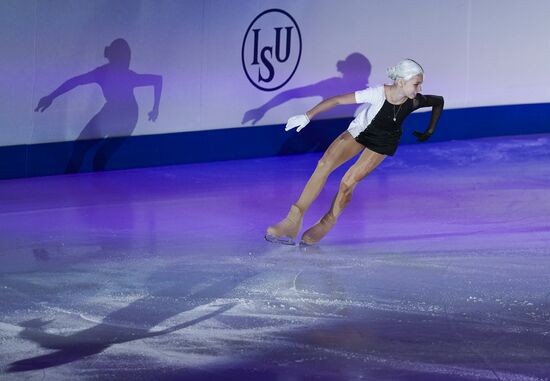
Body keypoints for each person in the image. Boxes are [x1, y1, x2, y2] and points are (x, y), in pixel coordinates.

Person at [265, 59, 444, 245]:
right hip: (360, 132)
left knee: (347, 183)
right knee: (324, 165)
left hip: (382, 143)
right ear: (401, 82)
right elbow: (337, 100)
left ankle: (327, 222)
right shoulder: (376, 94)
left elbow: (438, 101)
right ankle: (293, 220)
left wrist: (429, 130)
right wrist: (307, 115)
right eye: (416, 83)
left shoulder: (414, 101)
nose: (420, 88)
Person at [35, 38, 162, 172]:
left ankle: (92, 185)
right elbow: (75, 81)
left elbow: (157, 80)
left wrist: (155, 108)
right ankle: (71, 182)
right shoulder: (104, 73)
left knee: (97, 157)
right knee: (81, 148)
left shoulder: (123, 75)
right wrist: (51, 96)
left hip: (127, 116)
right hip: (114, 112)